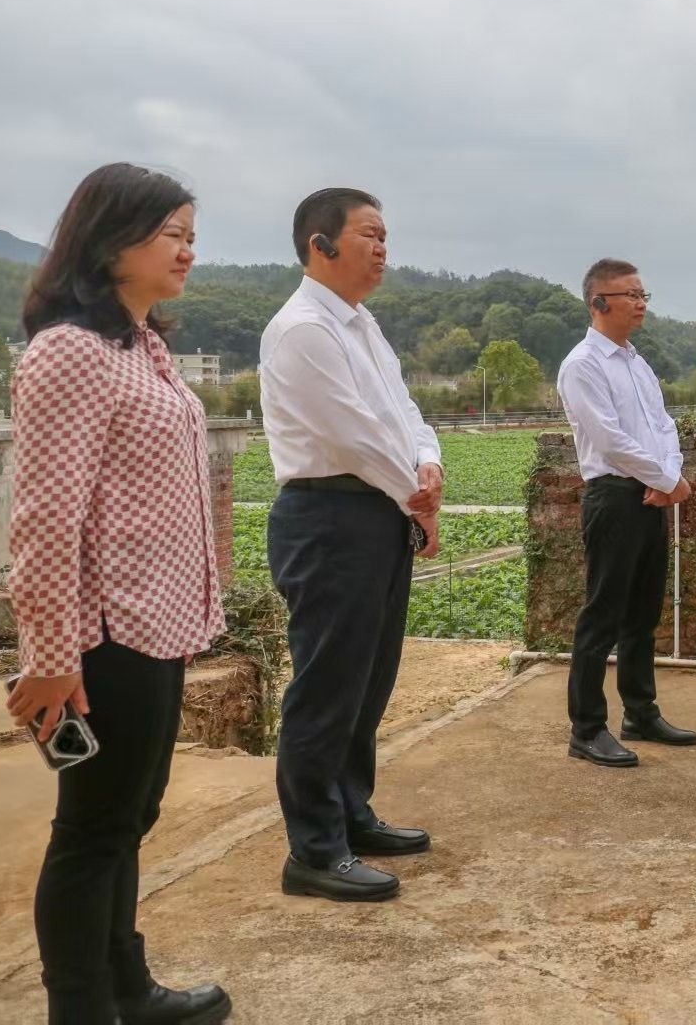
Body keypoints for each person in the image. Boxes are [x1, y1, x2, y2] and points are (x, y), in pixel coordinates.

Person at [6, 164, 232, 1024]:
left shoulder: (142, 348)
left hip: (159, 622)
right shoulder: (69, 351)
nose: (188, 249)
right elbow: (44, 520)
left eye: (190, 234)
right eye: (172, 233)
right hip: (105, 633)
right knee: (93, 829)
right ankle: (81, 1008)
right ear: (109, 241)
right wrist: (52, 658)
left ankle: (126, 987)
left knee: (131, 815)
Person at [260, 188, 443, 902]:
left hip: (377, 511)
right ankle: (313, 848)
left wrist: (428, 463)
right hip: (329, 515)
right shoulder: (303, 330)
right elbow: (353, 435)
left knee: (368, 679)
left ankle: (350, 813)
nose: (382, 249)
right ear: (320, 244)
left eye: (385, 236)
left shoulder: (362, 325)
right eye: (369, 234)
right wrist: (416, 497)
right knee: (328, 686)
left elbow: (403, 413)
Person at [557, 259, 696, 767]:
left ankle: (639, 711)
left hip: (651, 495)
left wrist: (669, 476)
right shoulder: (583, 365)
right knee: (603, 613)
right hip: (614, 497)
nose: (640, 304)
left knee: (643, 611)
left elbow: (663, 426)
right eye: (630, 296)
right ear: (598, 302)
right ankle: (586, 728)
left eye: (643, 295)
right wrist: (665, 480)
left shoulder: (637, 362)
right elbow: (609, 440)